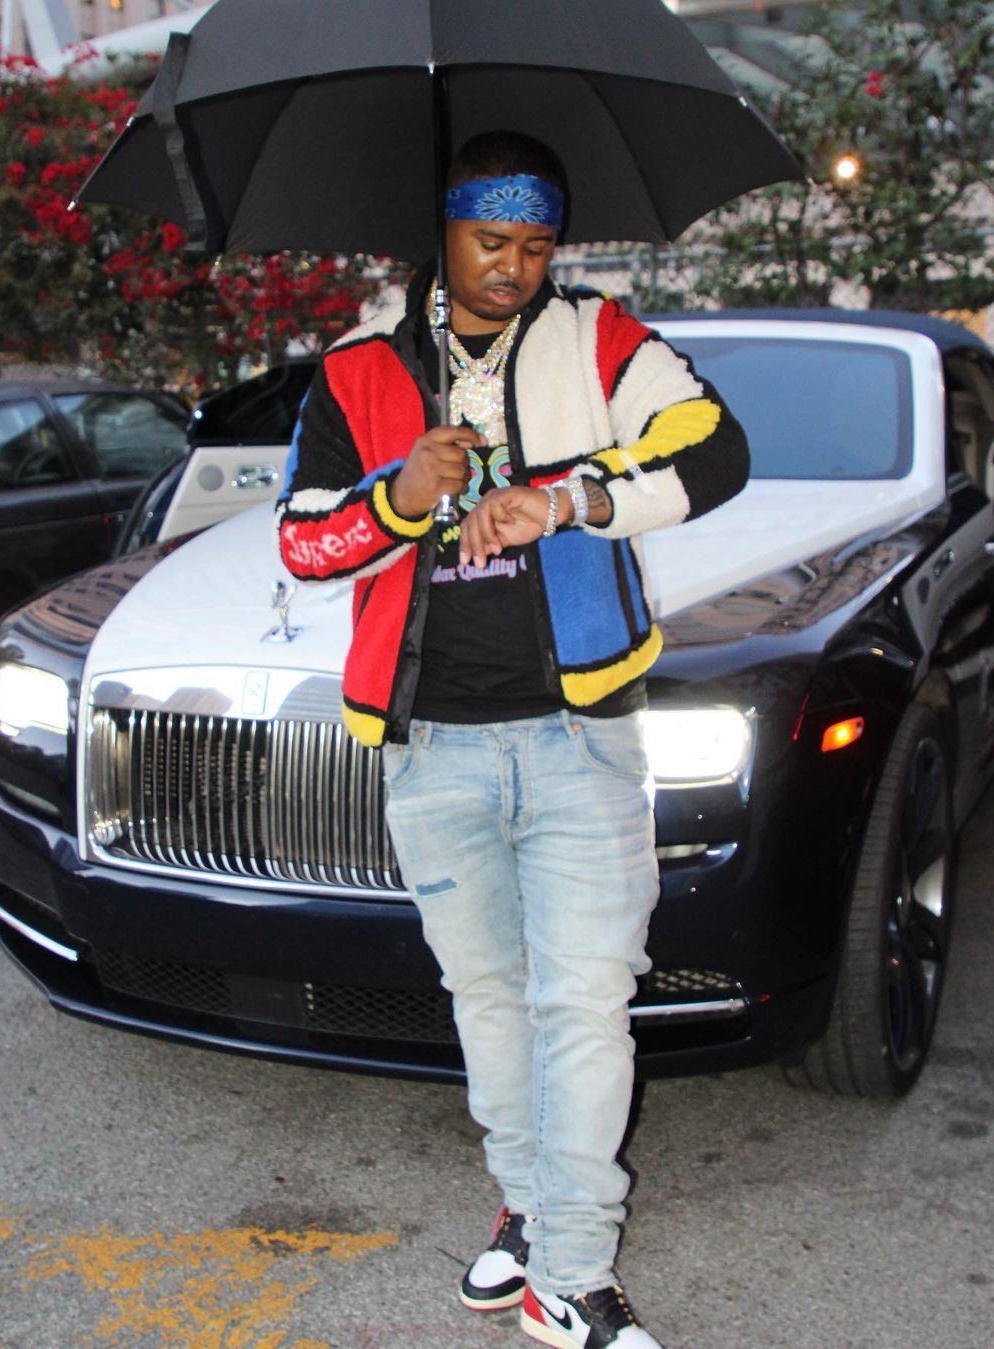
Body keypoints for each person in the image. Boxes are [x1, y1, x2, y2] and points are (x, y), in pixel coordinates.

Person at [277, 130, 749, 1349]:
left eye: (537, 245)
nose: (514, 267)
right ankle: (531, 1209)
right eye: (492, 240)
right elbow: (303, 543)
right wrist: (401, 496)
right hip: (429, 742)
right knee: (488, 998)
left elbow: (715, 446)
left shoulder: (598, 338)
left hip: (580, 735)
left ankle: (573, 1274)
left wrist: (570, 496)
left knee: (585, 1001)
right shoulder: (355, 373)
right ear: (440, 231)